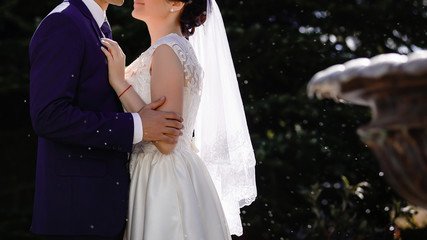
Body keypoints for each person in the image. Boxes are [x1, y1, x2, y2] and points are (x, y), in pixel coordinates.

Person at [101, 0, 257, 239]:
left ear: (176, 3)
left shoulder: (167, 50)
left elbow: (165, 141)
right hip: (165, 171)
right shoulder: (172, 49)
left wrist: (121, 84)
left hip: (163, 178)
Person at [29, 0, 184, 239]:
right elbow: (49, 115)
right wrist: (138, 126)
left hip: (105, 207)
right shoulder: (63, 23)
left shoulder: (95, 23)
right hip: (75, 213)